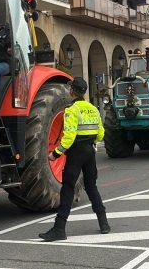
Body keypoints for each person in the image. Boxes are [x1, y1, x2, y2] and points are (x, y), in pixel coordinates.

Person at [39, 78, 109, 242]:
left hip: (76, 154)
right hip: (90, 152)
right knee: (92, 188)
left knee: (68, 189)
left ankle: (59, 229)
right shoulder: (93, 109)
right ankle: (104, 223)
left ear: (72, 91)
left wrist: (55, 154)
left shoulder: (71, 110)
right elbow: (100, 133)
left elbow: (68, 137)